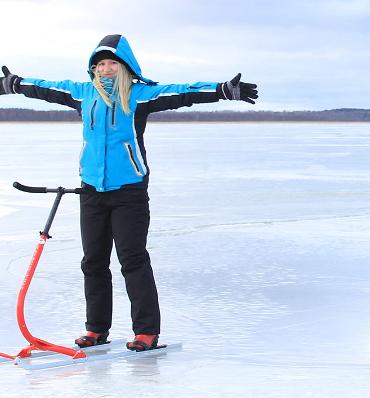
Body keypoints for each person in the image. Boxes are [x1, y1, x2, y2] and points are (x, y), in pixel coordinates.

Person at [0, 34, 258, 351]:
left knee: (132, 259)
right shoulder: (83, 94)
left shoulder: (138, 96)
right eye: (100, 64)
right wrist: (16, 83)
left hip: (129, 192)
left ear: (125, 68)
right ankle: (96, 329)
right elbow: (46, 88)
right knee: (92, 261)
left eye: (112, 64)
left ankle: (146, 331)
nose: (106, 69)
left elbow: (182, 93)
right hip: (91, 190)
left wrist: (221, 90)